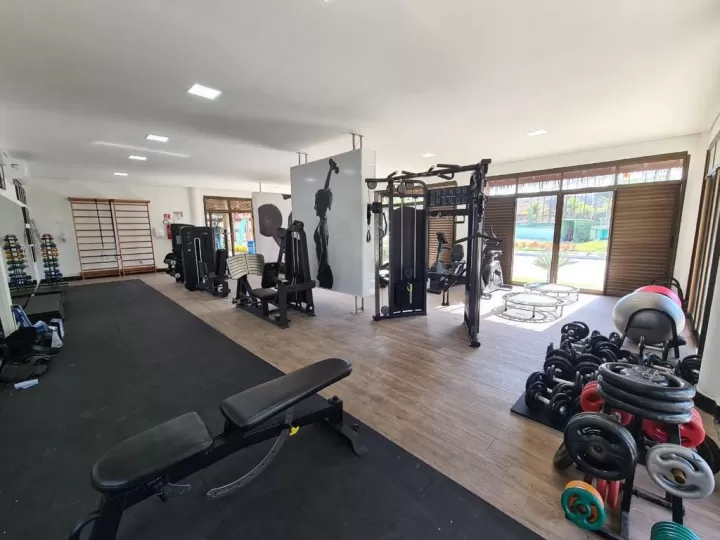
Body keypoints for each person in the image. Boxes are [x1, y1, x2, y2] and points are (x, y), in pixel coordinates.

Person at [314, 158, 339, 289]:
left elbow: (324, 251)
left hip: (324, 271)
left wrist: (320, 270)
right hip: (323, 269)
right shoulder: (322, 222)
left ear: (322, 205)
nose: (314, 207)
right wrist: (330, 171)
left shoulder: (322, 225)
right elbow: (325, 191)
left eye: (316, 204)